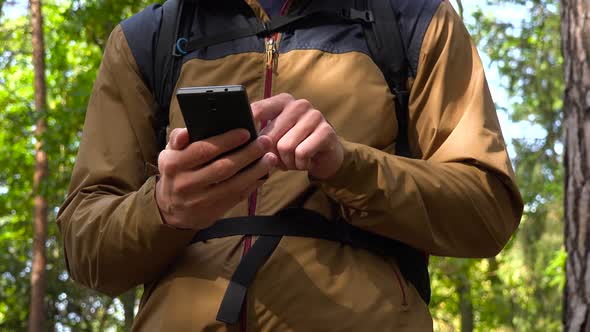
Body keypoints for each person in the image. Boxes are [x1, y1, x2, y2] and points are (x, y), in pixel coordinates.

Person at [57, 0, 524, 330]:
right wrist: (163, 207)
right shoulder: (147, 40)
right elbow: (86, 248)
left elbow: (487, 212)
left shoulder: (415, 21)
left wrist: (349, 166)